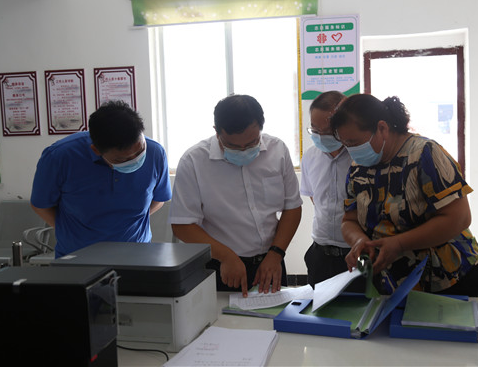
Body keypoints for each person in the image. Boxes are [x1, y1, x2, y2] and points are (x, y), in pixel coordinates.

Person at [330, 94, 478, 296]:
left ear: (382, 128)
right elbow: (349, 220)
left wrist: (399, 243)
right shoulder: (358, 169)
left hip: (452, 280)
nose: (351, 151)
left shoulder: (425, 154)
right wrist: (359, 242)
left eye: (355, 143)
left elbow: (459, 217)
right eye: (345, 144)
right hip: (399, 286)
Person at [170, 94, 302, 297]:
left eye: (252, 143)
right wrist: (226, 256)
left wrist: (276, 253)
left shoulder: (277, 150)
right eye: (232, 146)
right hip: (221, 265)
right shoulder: (194, 161)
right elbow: (182, 225)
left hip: (271, 261)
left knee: (275, 315)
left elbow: (292, 207)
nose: (243, 151)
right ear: (216, 132)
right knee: (222, 316)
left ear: (261, 128)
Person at [30, 100, 172, 258]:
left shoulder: (155, 153)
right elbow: (41, 205)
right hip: (78, 257)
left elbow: (159, 199)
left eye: (140, 151)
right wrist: (72, 231)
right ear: (96, 150)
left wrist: (126, 226)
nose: (134, 160)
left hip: (137, 255)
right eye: (122, 160)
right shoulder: (59, 157)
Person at [300, 91, 356, 288]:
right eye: (315, 130)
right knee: (317, 304)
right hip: (320, 253)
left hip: (356, 253)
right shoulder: (310, 157)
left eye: (328, 131)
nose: (321, 137)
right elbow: (315, 198)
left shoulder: (360, 157)